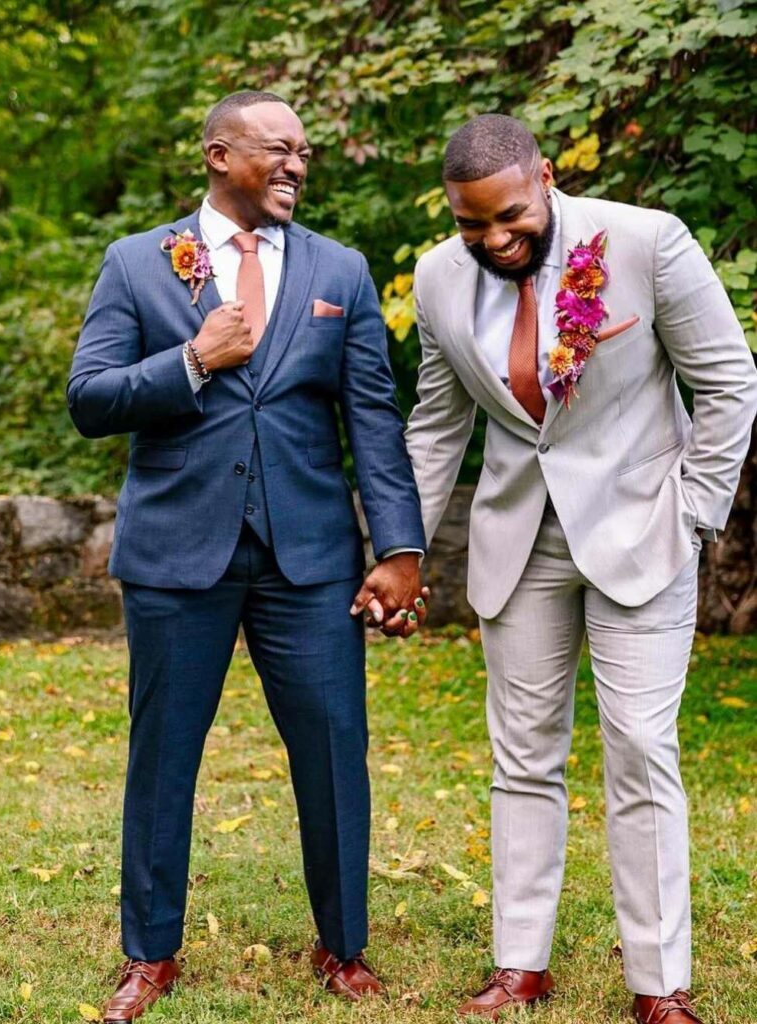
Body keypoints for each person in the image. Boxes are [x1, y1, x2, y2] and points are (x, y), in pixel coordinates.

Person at [67, 90, 427, 1022]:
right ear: (220, 155)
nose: (298, 164)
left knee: (334, 751)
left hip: (307, 562)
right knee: (163, 759)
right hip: (175, 558)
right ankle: (149, 956)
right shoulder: (136, 264)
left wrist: (397, 547)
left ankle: (342, 947)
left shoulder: (339, 270)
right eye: (278, 149)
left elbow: (372, 423)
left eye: (305, 151)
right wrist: (190, 360)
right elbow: (91, 397)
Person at [404, 113, 757, 1023]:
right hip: (517, 544)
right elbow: (439, 424)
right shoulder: (441, 281)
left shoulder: (646, 243)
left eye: (510, 217)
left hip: (645, 533)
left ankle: (661, 985)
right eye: (470, 225)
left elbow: (728, 384)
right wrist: (402, 546)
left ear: (547, 178)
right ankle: (521, 964)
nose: (493, 240)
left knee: (641, 748)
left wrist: (691, 514)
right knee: (522, 757)